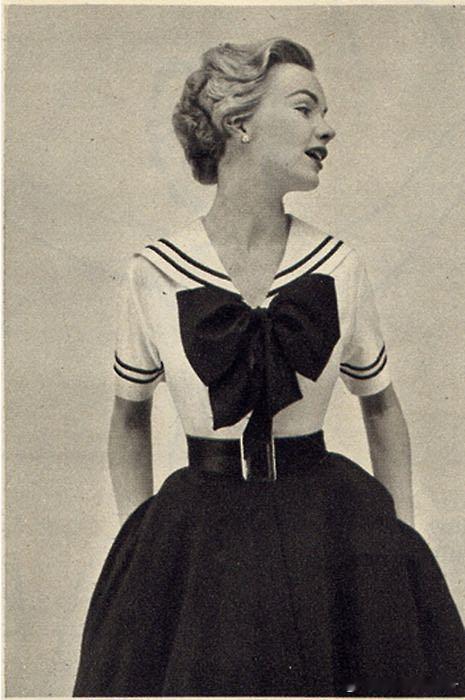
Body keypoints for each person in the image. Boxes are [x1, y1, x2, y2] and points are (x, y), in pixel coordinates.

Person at [73, 38, 465, 696]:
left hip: (329, 530)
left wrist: (396, 537)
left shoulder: (337, 265)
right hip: (201, 534)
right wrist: (140, 541)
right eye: (306, 109)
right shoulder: (155, 271)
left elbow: (380, 405)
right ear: (239, 123)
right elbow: (129, 417)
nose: (326, 128)